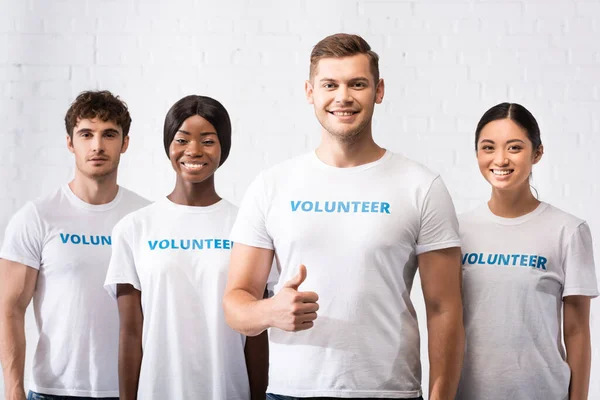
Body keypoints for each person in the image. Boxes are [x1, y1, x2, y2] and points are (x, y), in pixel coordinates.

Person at [223, 33, 464, 399]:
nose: (343, 97)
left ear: (378, 90)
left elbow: (444, 309)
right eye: (330, 84)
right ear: (310, 92)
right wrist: (270, 312)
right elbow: (235, 303)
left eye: (357, 84)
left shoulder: (421, 185)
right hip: (292, 392)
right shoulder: (272, 185)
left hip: (389, 392)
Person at [104, 95, 268, 400]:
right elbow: (130, 332)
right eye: (182, 139)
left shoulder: (248, 226)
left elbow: (257, 333)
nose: (193, 150)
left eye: (207, 141)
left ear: (223, 148)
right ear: (169, 145)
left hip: (229, 392)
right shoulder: (134, 228)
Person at [0, 91, 149, 400]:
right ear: (70, 143)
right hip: (53, 391)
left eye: (109, 134)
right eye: (86, 134)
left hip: (130, 390)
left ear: (125, 143)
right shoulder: (37, 216)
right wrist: (13, 391)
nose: (97, 145)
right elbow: (10, 308)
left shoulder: (145, 218)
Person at [456, 102, 598, 400]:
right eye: (488, 147)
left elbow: (577, 332)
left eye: (515, 147)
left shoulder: (568, 230)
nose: (500, 159)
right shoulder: (457, 231)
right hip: (468, 393)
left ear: (537, 153)